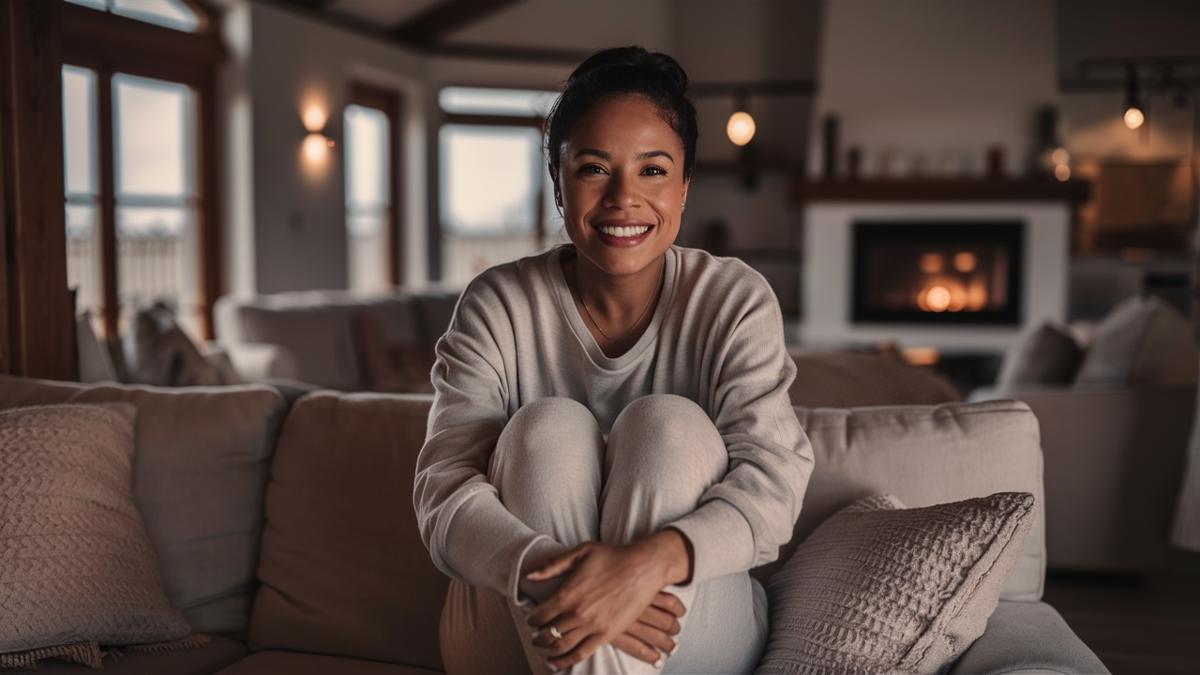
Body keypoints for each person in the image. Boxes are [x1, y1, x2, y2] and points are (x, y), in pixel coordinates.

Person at [414, 46, 814, 675]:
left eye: (652, 170)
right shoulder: (497, 302)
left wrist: (646, 565)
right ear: (558, 184)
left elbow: (775, 485)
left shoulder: (734, 299)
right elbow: (441, 493)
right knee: (547, 429)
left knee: (668, 424)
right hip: (518, 616)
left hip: (689, 621)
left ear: (684, 186)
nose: (624, 198)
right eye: (595, 168)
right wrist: (556, 581)